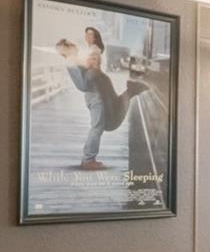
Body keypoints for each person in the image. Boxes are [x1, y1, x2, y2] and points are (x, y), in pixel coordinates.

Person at [55, 37, 149, 170]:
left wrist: (93, 60)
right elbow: (83, 84)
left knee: (101, 123)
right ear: (67, 48)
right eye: (71, 45)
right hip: (95, 96)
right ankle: (88, 160)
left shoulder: (74, 59)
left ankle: (88, 159)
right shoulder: (72, 60)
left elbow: (87, 74)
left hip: (97, 94)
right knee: (97, 127)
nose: (75, 46)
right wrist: (93, 66)